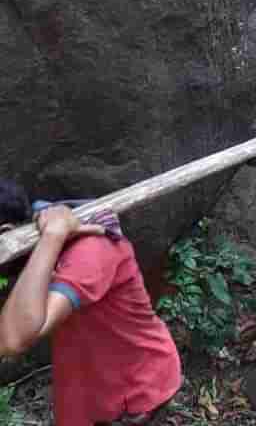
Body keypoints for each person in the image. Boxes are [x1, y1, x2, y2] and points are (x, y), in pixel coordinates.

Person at [0, 181, 181, 425]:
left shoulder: (91, 250)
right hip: (90, 386)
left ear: (6, 233)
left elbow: (13, 338)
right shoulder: (39, 220)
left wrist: (52, 237)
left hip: (132, 392)